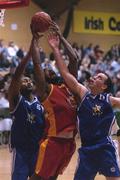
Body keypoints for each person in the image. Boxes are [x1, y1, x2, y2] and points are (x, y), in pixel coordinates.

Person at [47, 33, 120, 180]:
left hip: (105, 147)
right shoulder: (83, 93)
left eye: (99, 78)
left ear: (103, 86)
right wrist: (55, 48)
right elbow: (64, 73)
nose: (95, 77)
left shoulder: (110, 100)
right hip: (87, 149)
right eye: (96, 75)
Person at [29, 23, 78, 180]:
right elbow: (37, 64)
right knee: (38, 178)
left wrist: (61, 38)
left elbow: (74, 59)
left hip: (69, 144)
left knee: (53, 178)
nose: (47, 69)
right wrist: (34, 40)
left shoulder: (68, 87)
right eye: (44, 71)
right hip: (53, 143)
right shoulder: (46, 91)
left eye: (49, 69)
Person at [8, 39, 45, 180]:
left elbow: (39, 72)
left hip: (37, 150)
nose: (28, 81)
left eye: (29, 80)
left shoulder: (40, 103)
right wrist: (29, 54)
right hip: (21, 151)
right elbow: (17, 75)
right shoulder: (16, 100)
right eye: (25, 80)